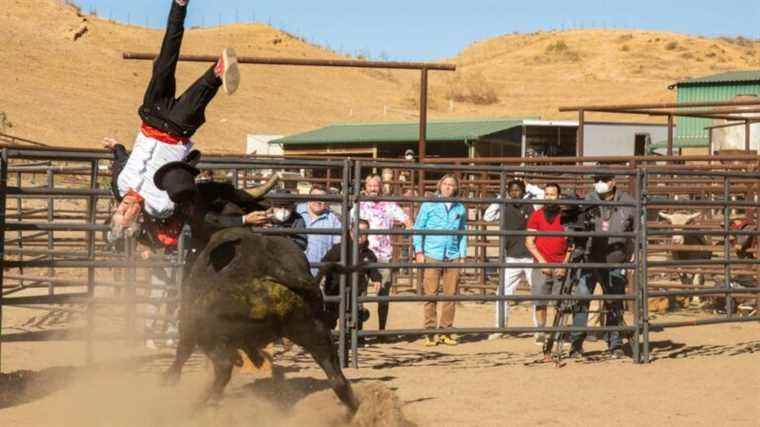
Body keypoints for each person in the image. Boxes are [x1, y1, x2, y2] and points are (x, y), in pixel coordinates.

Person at [107, 0, 240, 240]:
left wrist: (115, 146)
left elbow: (123, 160)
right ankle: (219, 70)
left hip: (152, 116)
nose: (123, 206)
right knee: (202, 90)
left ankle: (179, 5)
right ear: (136, 218)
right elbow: (183, 188)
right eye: (125, 212)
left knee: (165, 61)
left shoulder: (120, 184)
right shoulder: (160, 206)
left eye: (118, 209)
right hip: (175, 132)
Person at [569, 174, 636, 359]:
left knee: (614, 301)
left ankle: (614, 344)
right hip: (589, 258)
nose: (599, 183)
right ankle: (576, 344)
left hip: (615, 259)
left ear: (613, 182)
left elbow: (638, 232)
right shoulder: (588, 201)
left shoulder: (628, 203)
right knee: (582, 299)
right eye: (597, 180)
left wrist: (632, 258)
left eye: (604, 180)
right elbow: (575, 227)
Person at [350, 174, 413, 333]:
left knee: (383, 294)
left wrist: (408, 228)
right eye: (370, 185)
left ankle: (382, 331)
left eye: (376, 185)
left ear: (381, 187)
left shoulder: (389, 205)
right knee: (359, 292)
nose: (373, 189)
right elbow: (349, 226)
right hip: (362, 254)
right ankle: (359, 331)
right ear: (365, 187)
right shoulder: (359, 205)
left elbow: (406, 219)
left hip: (384, 255)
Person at [413, 175, 467, 347]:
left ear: (456, 188)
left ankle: (446, 331)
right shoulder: (429, 204)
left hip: (452, 255)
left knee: (451, 295)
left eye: (452, 185)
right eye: (445, 184)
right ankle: (430, 332)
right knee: (431, 294)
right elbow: (418, 228)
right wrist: (419, 251)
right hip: (432, 253)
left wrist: (462, 254)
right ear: (440, 185)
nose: (448, 187)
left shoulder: (460, 208)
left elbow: (463, 232)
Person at [483, 179, 537, 340]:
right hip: (512, 256)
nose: (515, 193)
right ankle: (500, 327)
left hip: (531, 256)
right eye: (512, 190)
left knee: (537, 293)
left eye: (518, 190)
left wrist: (530, 187)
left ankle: (539, 328)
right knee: (503, 292)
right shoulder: (504, 205)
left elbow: (542, 196)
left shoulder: (532, 204)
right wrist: (500, 197)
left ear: (523, 191)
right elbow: (488, 216)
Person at [319, 220, 382, 338]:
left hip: (356, 289)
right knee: (331, 314)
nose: (361, 235)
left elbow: (373, 269)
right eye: (357, 231)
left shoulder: (368, 254)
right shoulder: (339, 249)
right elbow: (325, 263)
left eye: (364, 233)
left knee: (355, 314)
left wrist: (376, 278)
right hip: (336, 288)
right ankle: (329, 337)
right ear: (350, 232)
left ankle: (354, 337)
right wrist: (321, 278)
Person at [525, 183, 570, 346]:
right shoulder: (536, 216)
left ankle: (559, 333)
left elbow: (571, 243)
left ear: (559, 196)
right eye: (547, 194)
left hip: (561, 264)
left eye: (553, 194)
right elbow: (529, 242)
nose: (550, 197)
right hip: (541, 264)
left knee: (562, 302)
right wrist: (542, 263)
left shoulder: (566, 216)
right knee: (540, 301)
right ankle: (541, 331)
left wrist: (564, 264)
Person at [297, 185, 343, 276]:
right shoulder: (296, 211)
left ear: (327, 202)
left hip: (319, 274)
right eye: (315, 197)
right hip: (296, 271)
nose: (318, 201)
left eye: (322, 198)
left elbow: (338, 246)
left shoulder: (333, 220)